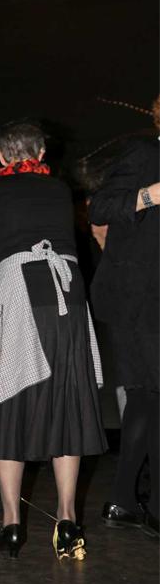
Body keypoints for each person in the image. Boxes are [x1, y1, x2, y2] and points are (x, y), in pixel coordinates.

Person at [0, 122, 107, 559]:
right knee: (67, 401)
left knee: (9, 403)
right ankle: (67, 521)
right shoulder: (59, 189)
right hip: (68, 296)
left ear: (1, 157)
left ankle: (12, 525)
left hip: (23, 292)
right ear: (41, 154)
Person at [89, 96, 160, 538]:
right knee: (151, 395)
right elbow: (99, 208)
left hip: (150, 300)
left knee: (145, 398)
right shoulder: (145, 153)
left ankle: (123, 501)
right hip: (137, 299)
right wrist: (151, 194)